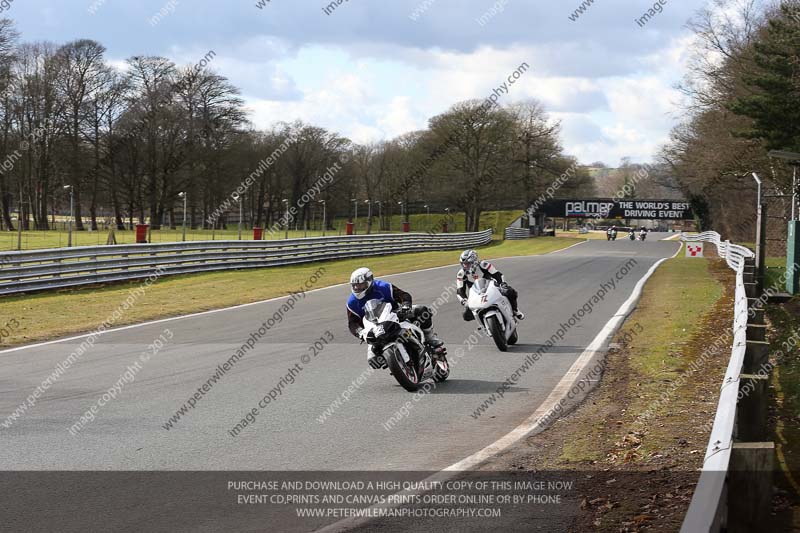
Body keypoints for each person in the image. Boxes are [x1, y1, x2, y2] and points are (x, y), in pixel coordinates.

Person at [346, 267, 444, 367]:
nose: (357, 288)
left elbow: (403, 295)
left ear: (370, 281)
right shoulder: (351, 302)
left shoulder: (383, 287)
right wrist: (360, 332)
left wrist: (405, 305)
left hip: (395, 315)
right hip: (373, 328)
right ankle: (393, 360)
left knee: (421, 310)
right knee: (373, 361)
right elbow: (352, 323)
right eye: (355, 286)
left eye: (361, 285)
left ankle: (430, 338)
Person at [456, 249, 524, 322]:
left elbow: (498, 275)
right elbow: (460, 291)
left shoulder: (484, 265)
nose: (465, 266)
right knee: (466, 316)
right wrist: (464, 301)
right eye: (463, 264)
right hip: (476, 294)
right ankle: (483, 325)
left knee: (509, 291)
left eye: (467, 264)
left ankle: (515, 310)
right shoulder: (461, 274)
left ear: (474, 262)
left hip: (491, 287)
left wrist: (503, 284)